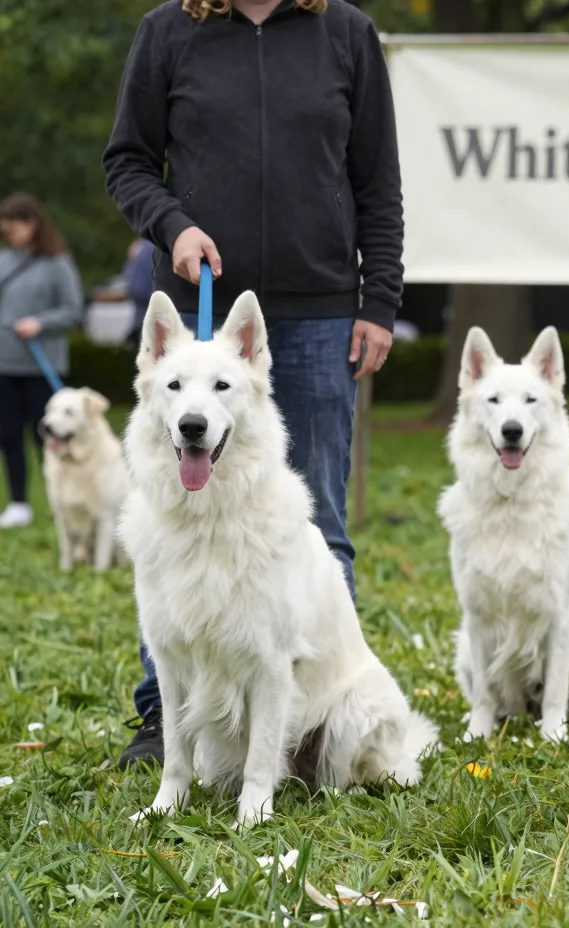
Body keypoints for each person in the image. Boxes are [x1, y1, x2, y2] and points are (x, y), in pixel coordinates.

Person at [102, 0, 403, 768]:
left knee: (318, 524)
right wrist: (172, 224)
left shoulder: (346, 33)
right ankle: (163, 720)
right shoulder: (169, 31)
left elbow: (377, 182)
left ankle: (308, 721)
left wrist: (378, 303)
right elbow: (127, 160)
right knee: (175, 533)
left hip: (319, 315)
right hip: (206, 322)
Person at [0, 193, 84, 529]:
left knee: (47, 436)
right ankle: (18, 502)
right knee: (7, 435)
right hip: (5, 365)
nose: (8, 234)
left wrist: (40, 323)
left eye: (13, 227)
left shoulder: (58, 263)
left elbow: (73, 310)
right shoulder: (4, 260)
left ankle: (58, 501)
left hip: (41, 365)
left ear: (31, 224)